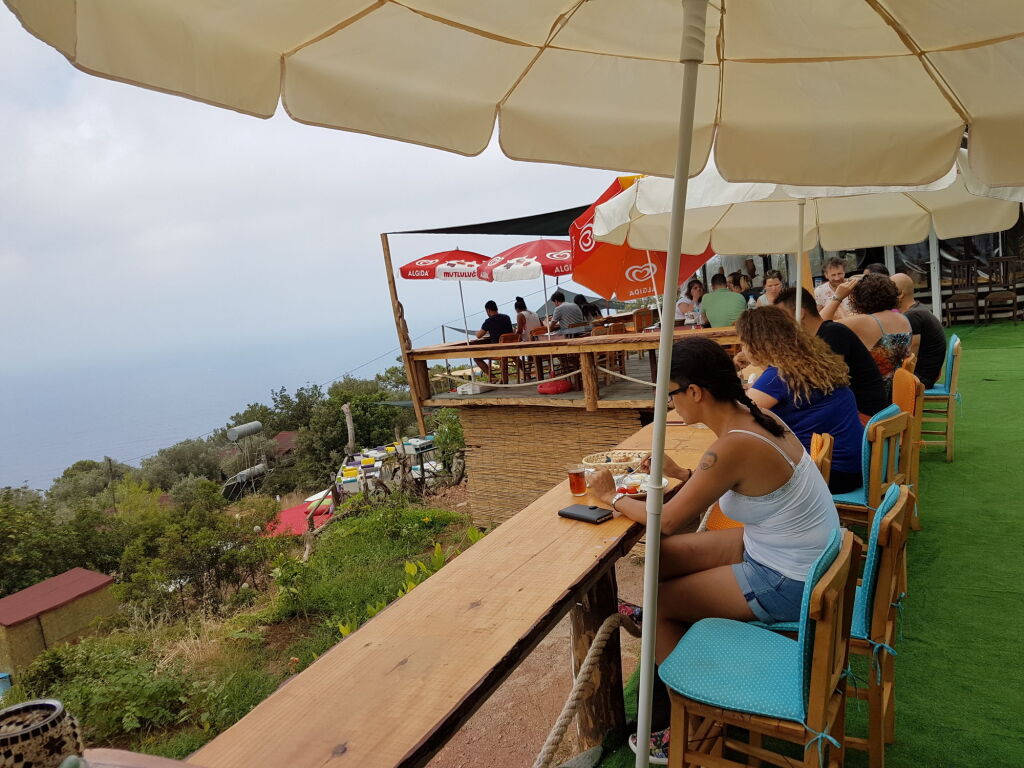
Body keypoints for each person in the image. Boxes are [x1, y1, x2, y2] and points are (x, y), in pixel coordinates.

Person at [588, 336, 840, 763]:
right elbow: (736, 483)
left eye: (670, 395)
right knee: (664, 559)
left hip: (788, 579)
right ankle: (673, 632)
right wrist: (683, 473)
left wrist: (609, 496)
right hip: (789, 552)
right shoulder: (754, 417)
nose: (669, 406)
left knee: (661, 600)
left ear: (694, 392)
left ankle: (686, 719)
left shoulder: (734, 444)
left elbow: (667, 521)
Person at [737, 306, 865, 494]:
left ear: (755, 344)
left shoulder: (779, 375)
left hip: (828, 474)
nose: (742, 349)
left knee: (742, 466)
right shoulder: (813, 361)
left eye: (742, 343)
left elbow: (738, 416)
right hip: (855, 466)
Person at [774, 287, 888, 421]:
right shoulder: (819, 336)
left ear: (801, 313)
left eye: (783, 316)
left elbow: (826, 382)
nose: (781, 323)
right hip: (849, 409)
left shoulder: (833, 334)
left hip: (864, 415)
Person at [820, 273, 912, 389]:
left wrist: (837, 297)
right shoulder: (903, 319)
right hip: (896, 390)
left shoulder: (864, 321)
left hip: (870, 393)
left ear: (858, 299)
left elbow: (819, 324)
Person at [892, 273, 946, 388]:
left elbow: (910, 357)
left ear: (900, 294)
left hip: (920, 379)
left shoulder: (912, 315)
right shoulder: (918, 309)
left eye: (888, 291)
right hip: (926, 376)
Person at [473, 300, 514, 377]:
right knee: (511, 356)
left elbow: (479, 335)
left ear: (488, 310)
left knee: (476, 358)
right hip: (510, 349)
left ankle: (493, 378)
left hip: (497, 351)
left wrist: (475, 332)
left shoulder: (489, 321)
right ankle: (526, 374)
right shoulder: (506, 317)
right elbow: (511, 331)